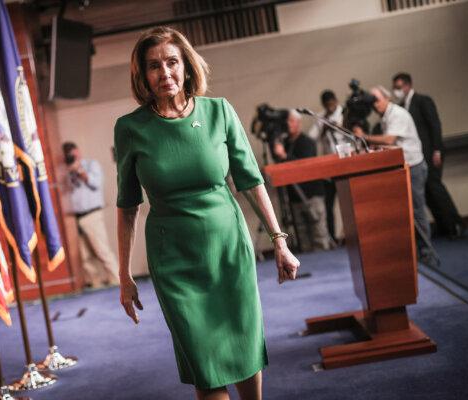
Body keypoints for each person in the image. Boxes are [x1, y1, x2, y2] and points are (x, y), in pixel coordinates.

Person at [114, 27, 300, 400]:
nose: (164, 73)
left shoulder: (219, 111)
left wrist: (280, 240)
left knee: (243, 344)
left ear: (186, 67)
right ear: (143, 75)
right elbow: (127, 206)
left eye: (172, 62)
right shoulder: (131, 129)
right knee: (204, 361)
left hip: (229, 248)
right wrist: (123, 276)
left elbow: (251, 180)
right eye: (154, 66)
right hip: (174, 261)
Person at [355, 86, 437, 266]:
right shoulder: (385, 117)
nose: (374, 105)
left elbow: (390, 140)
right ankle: (416, 252)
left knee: (417, 211)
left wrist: (363, 136)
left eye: (376, 100)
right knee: (407, 212)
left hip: (414, 166)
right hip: (402, 166)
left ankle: (427, 252)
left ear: (387, 98)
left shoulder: (397, 114)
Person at [392, 72, 464, 239]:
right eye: (394, 88)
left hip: (431, 152)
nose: (396, 91)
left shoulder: (422, 101)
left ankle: (455, 224)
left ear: (408, 85)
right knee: (428, 193)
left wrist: (437, 149)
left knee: (436, 189)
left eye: (399, 87)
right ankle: (444, 225)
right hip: (418, 156)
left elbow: (434, 125)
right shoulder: (403, 107)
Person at [273, 110, 334, 252]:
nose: (288, 124)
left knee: (319, 236)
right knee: (303, 239)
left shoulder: (307, 142)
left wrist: (284, 155)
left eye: (291, 121)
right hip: (295, 197)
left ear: (298, 122)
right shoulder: (286, 143)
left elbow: (303, 167)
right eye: (286, 121)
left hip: (311, 195)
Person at [63, 142, 119, 288]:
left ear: (78, 152)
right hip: (74, 218)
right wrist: (69, 171)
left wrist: (79, 170)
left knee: (102, 251)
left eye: (72, 154)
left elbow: (95, 184)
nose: (71, 157)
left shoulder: (91, 165)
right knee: (84, 256)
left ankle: (117, 281)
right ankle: (96, 284)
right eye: (67, 155)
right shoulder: (65, 171)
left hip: (92, 215)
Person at [307, 90, 345, 242]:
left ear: (336, 101)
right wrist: (325, 128)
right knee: (328, 205)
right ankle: (332, 237)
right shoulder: (321, 118)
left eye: (332, 103)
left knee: (349, 203)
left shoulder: (345, 113)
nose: (330, 107)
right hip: (331, 167)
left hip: (347, 163)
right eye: (327, 105)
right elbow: (311, 138)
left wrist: (339, 126)